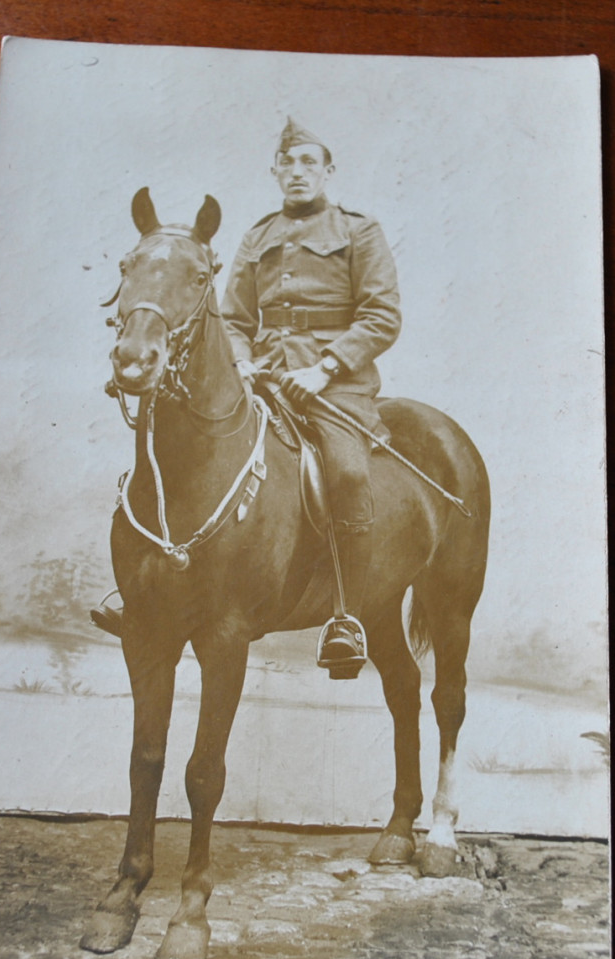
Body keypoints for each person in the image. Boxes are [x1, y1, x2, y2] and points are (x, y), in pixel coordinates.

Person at [224, 118, 401, 677]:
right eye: (287, 162)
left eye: (309, 162)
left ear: (328, 170)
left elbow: (382, 316)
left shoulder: (360, 230)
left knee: (347, 474)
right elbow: (232, 318)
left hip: (335, 388)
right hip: (264, 381)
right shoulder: (256, 236)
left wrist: (326, 367)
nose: (297, 171)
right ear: (274, 171)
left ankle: (346, 618)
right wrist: (240, 361)